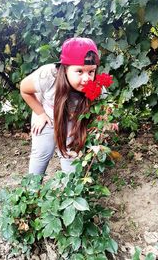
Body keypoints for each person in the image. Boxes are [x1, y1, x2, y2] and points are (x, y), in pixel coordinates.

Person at [20, 37, 100, 175]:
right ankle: (32, 191)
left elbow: (104, 106)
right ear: (65, 68)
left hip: (72, 120)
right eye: (79, 71)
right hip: (48, 115)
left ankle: (71, 191)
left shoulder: (95, 85)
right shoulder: (48, 75)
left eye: (91, 71)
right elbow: (24, 89)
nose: (87, 78)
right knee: (42, 152)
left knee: (70, 154)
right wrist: (40, 113)